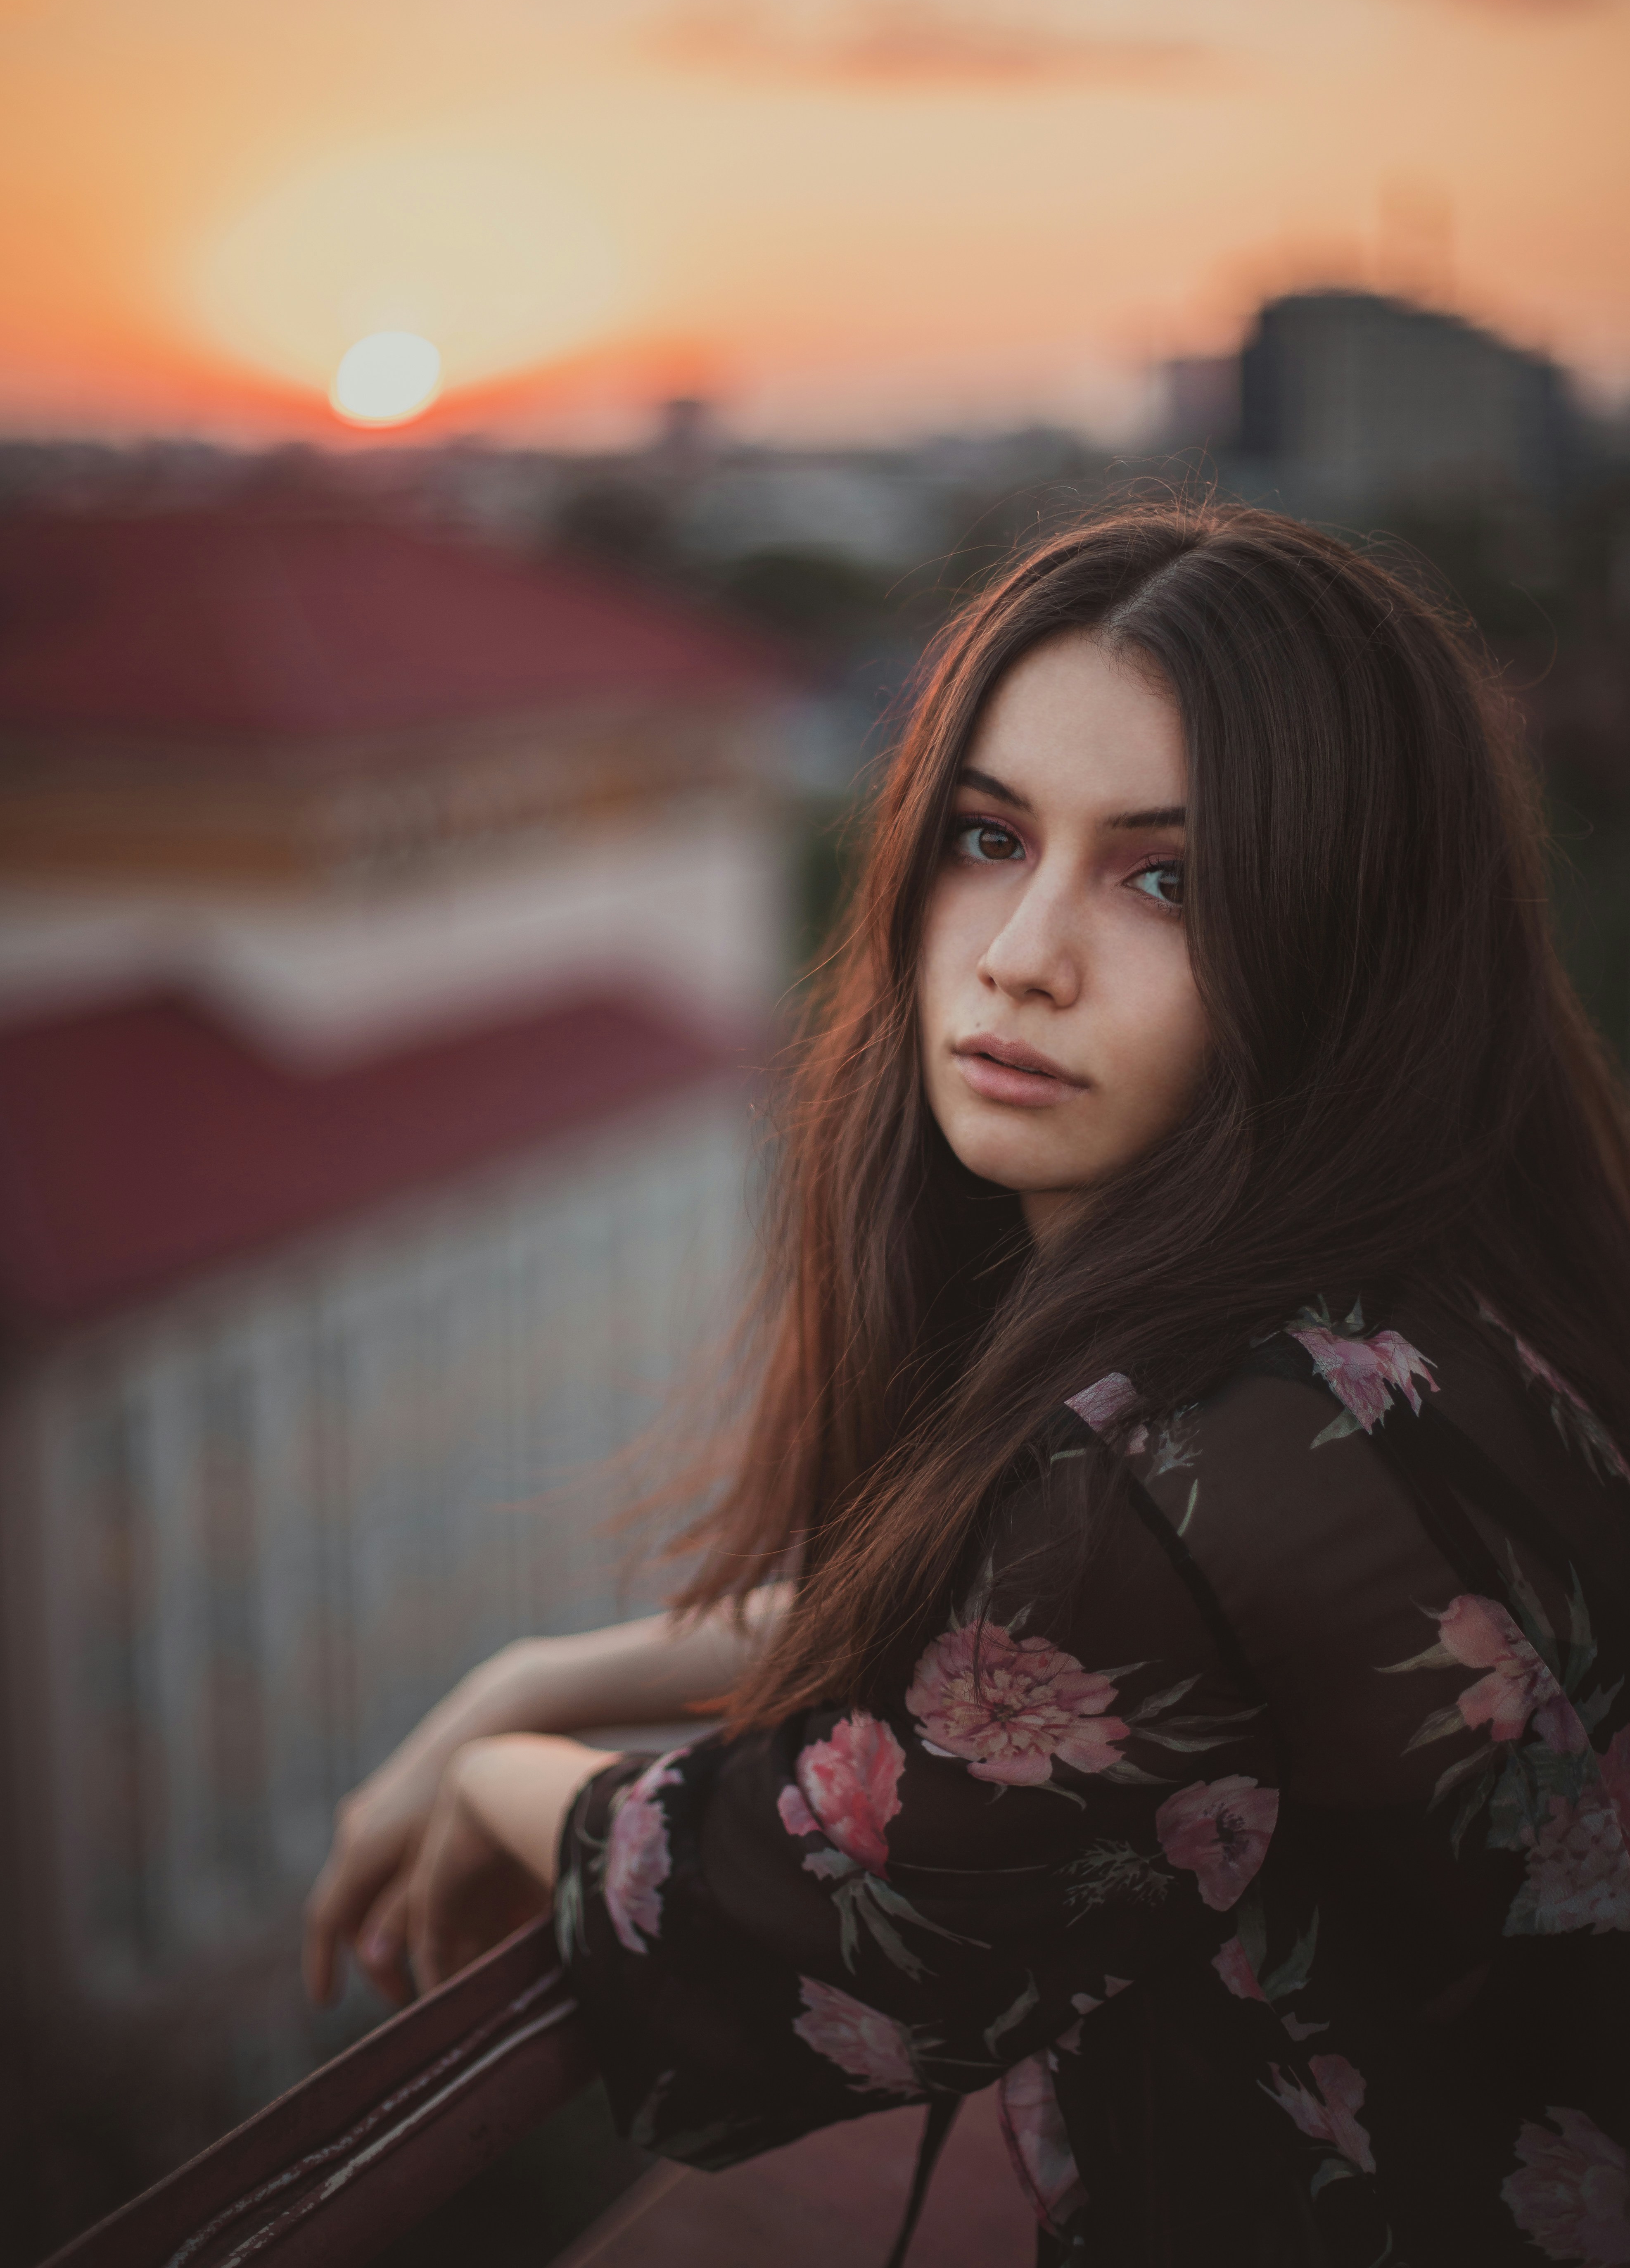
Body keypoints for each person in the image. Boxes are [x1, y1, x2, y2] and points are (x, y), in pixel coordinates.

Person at [304, 505, 1630, 2266]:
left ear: (1353, 941)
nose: (1021, 954)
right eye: (990, 838)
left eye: (1169, 879)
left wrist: (489, 1772)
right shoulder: (1424, 1305)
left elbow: (794, 1922)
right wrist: (570, 1664)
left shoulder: (1177, 1444)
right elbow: (1071, 1665)